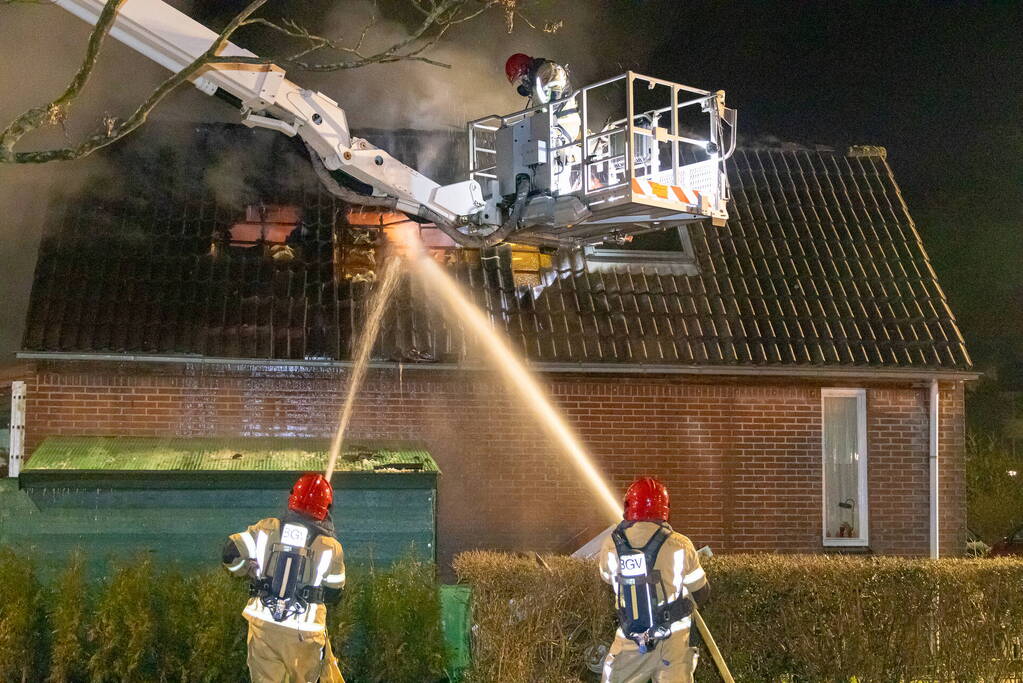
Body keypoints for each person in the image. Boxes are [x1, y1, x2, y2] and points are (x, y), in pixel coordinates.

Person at [222, 472, 346, 683]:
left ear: (292, 498)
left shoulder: (265, 528)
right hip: (304, 633)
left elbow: (230, 552)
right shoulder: (331, 547)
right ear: (326, 508)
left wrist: (245, 570)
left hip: (264, 627)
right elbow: (335, 591)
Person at [598, 476, 710, 683]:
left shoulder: (611, 544)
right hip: (674, 645)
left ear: (629, 506)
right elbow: (702, 591)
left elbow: (607, 578)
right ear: (665, 508)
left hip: (631, 640)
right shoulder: (680, 544)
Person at [505, 52, 572, 106]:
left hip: (565, 118)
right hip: (552, 118)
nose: (523, 81)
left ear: (525, 68)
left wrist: (548, 115)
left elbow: (555, 97)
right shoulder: (537, 83)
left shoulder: (548, 69)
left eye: (521, 77)